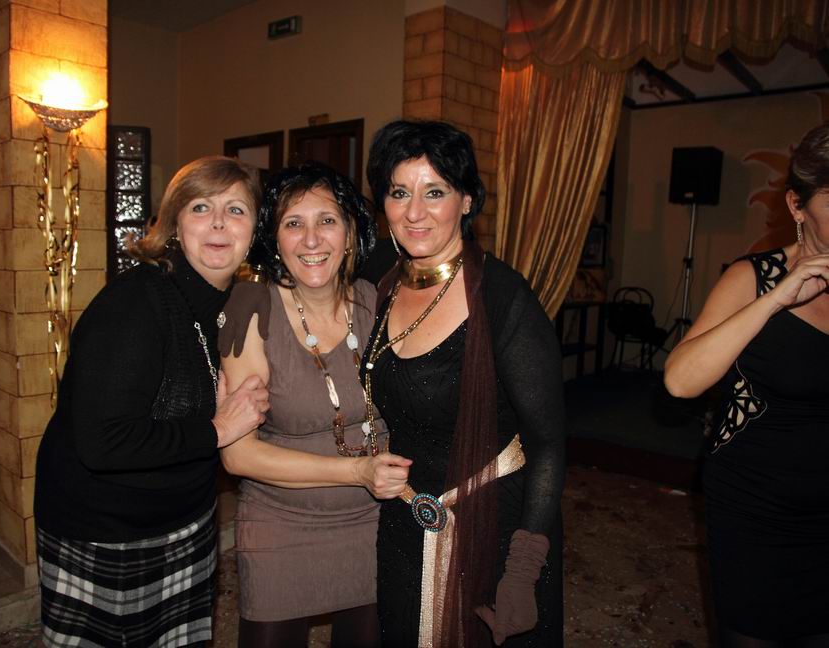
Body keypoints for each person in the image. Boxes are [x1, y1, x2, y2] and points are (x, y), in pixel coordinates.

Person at [34, 156, 270, 648]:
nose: (219, 223)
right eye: (201, 207)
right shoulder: (136, 302)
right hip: (107, 533)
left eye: (236, 210)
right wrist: (217, 429)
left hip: (185, 521)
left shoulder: (220, 305)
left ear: (253, 231)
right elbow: (103, 443)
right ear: (174, 225)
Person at [363, 120, 565, 647]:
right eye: (399, 193)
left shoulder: (503, 297)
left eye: (435, 192)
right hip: (404, 517)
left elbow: (548, 443)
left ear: (467, 200)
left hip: (492, 524)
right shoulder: (380, 277)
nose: (414, 212)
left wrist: (523, 570)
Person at [218, 162, 411, 648]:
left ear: (350, 233)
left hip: (375, 524)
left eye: (326, 220)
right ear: (275, 239)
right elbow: (238, 456)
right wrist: (357, 472)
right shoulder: (252, 310)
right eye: (293, 223)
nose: (311, 239)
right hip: (282, 526)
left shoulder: (381, 302)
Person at [664, 124, 829, 647]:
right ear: (797, 205)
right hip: (758, 511)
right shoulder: (753, 277)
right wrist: (777, 299)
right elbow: (680, 381)